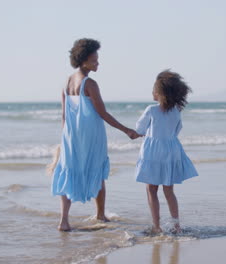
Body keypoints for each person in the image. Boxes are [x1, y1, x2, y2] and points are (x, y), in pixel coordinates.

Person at [51, 38, 139, 231]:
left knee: (69, 173)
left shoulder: (66, 82)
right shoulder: (90, 83)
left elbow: (64, 115)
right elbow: (103, 113)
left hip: (71, 136)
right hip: (91, 137)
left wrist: (66, 137)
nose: (98, 63)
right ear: (83, 60)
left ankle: (64, 221)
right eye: (94, 59)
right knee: (97, 172)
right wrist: (127, 130)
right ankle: (100, 215)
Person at [135, 70, 198, 234]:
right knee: (169, 190)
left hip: (153, 153)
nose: (152, 92)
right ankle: (176, 226)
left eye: (154, 89)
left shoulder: (151, 109)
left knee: (151, 189)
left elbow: (140, 129)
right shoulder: (176, 111)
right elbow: (177, 130)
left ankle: (157, 226)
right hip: (171, 151)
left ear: (159, 93)